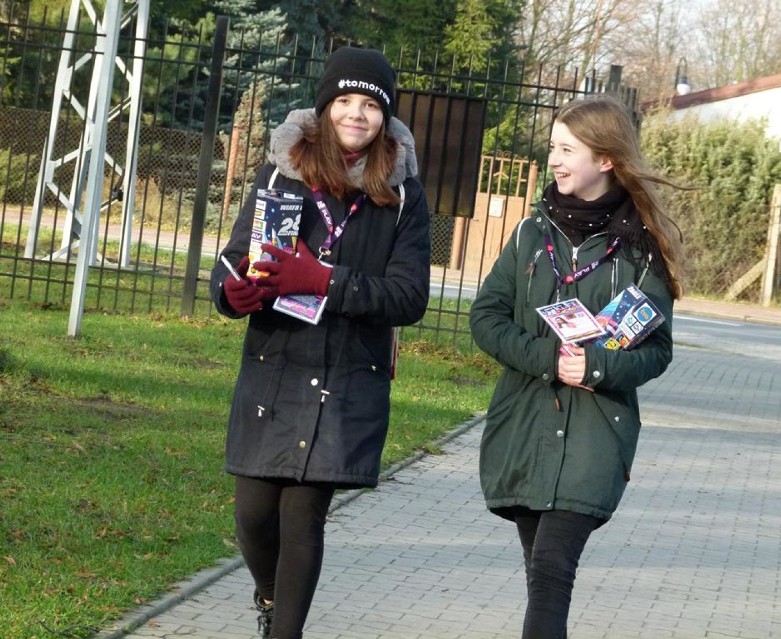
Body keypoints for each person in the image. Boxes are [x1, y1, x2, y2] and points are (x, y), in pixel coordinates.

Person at [210, 46, 431, 639]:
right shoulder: (280, 174)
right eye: (345, 102)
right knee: (254, 517)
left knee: (303, 518)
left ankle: (286, 631)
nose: (356, 115)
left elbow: (409, 297)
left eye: (370, 105)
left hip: (346, 378)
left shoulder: (403, 194)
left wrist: (325, 281)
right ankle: (269, 596)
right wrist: (234, 294)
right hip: (275, 366)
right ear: (325, 105)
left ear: (385, 117)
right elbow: (233, 262)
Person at [468, 95, 684, 638]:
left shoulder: (643, 249)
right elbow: (486, 317)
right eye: (552, 148)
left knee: (550, 571)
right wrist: (549, 359)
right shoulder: (528, 235)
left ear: (605, 158)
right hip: (523, 426)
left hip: (595, 434)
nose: (555, 160)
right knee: (541, 575)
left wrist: (594, 368)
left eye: (567, 149)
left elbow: (657, 350)